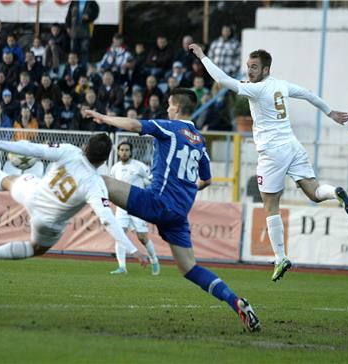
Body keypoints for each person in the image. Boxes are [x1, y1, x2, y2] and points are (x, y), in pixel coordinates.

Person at [82, 88, 261, 332]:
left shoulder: (170, 127)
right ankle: (236, 302)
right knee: (189, 268)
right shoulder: (199, 141)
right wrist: (186, 190)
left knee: (99, 181)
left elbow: (135, 125)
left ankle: (52, 198)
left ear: (176, 108)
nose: (167, 108)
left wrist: (103, 118)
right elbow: (206, 180)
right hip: (178, 215)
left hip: (158, 203)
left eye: (168, 104)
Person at [190, 44, 348, 282]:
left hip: (272, 151)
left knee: (270, 204)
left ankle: (280, 257)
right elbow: (308, 93)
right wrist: (330, 113)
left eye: (254, 67)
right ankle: (335, 192)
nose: (250, 71)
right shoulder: (281, 84)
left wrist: (203, 56)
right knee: (314, 192)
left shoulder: (256, 89)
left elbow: (222, 79)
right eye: (248, 66)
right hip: (292, 145)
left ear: (266, 69)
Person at [0, 134, 149, 269]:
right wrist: (133, 250)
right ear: (105, 160)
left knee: (10, 181)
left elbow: (32, 149)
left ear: (86, 147)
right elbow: (107, 219)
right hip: (47, 223)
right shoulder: (95, 185)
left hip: (34, 193)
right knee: (34, 249)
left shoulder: (69, 150)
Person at [109, 141, 160, 276]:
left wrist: (147, 193)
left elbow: (151, 180)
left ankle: (154, 260)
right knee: (120, 235)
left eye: (126, 150)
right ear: (118, 152)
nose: (124, 152)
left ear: (131, 152)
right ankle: (122, 267)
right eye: (122, 150)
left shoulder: (139, 166)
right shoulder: (115, 168)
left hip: (138, 205)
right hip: (122, 206)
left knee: (142, 237)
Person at [65, 0, 100, 67]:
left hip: (85, 30)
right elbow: (69, 14)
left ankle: (83, 68)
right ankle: (73, 68)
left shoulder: (92, 2)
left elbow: (96, 13)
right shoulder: (74, 2)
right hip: (74, 30)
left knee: (84, 50)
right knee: (73, 50)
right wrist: (68, 26)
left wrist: (89, 17)